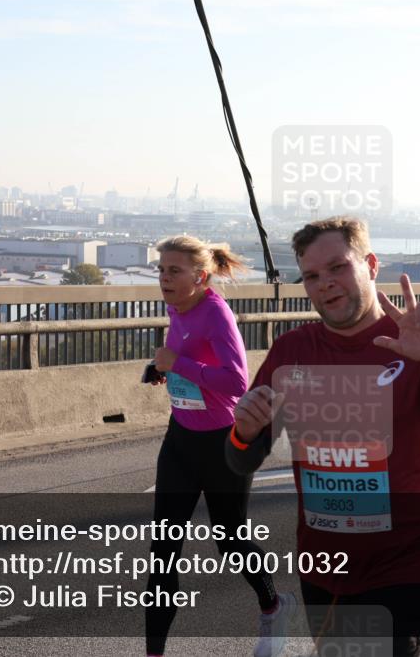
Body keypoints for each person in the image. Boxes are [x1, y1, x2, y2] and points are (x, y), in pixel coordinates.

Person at [226, 217, 420, 656]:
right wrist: (244, 434)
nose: (324, 284)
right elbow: (240, 461)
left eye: (338, 268)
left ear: (371, 264)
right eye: (311, 276)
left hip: (409, 557)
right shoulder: (292, 351)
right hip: (324, 560)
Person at [146, 236, 295, 657]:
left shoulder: (217, 313)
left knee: (230, 542)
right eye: (161, 269)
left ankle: (273, 604)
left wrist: (180, 365)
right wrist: (163, 371)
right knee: (162, 553)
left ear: (200, 276)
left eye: (174, 271)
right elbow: (189, 361)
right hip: (180, 440)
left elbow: (234, 382)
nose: (164, 278)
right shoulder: (177, 308)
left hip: (221, 444)